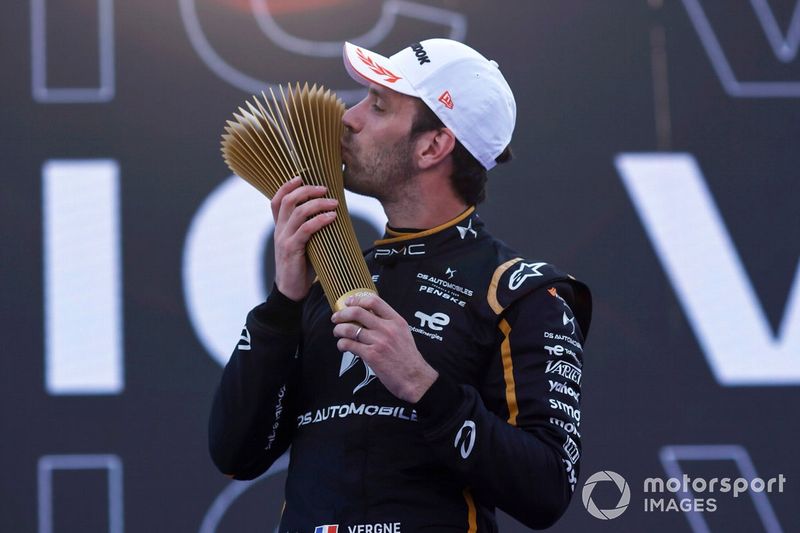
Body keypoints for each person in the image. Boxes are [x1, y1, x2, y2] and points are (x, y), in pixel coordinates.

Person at [209, 38, 591, 532]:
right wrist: (283, 303)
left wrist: (422, 384)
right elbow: (236, 454)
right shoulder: (327, 276)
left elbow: (547, 490)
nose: (350, 117)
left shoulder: (521, 291)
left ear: (434, 145)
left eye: (379, 105)